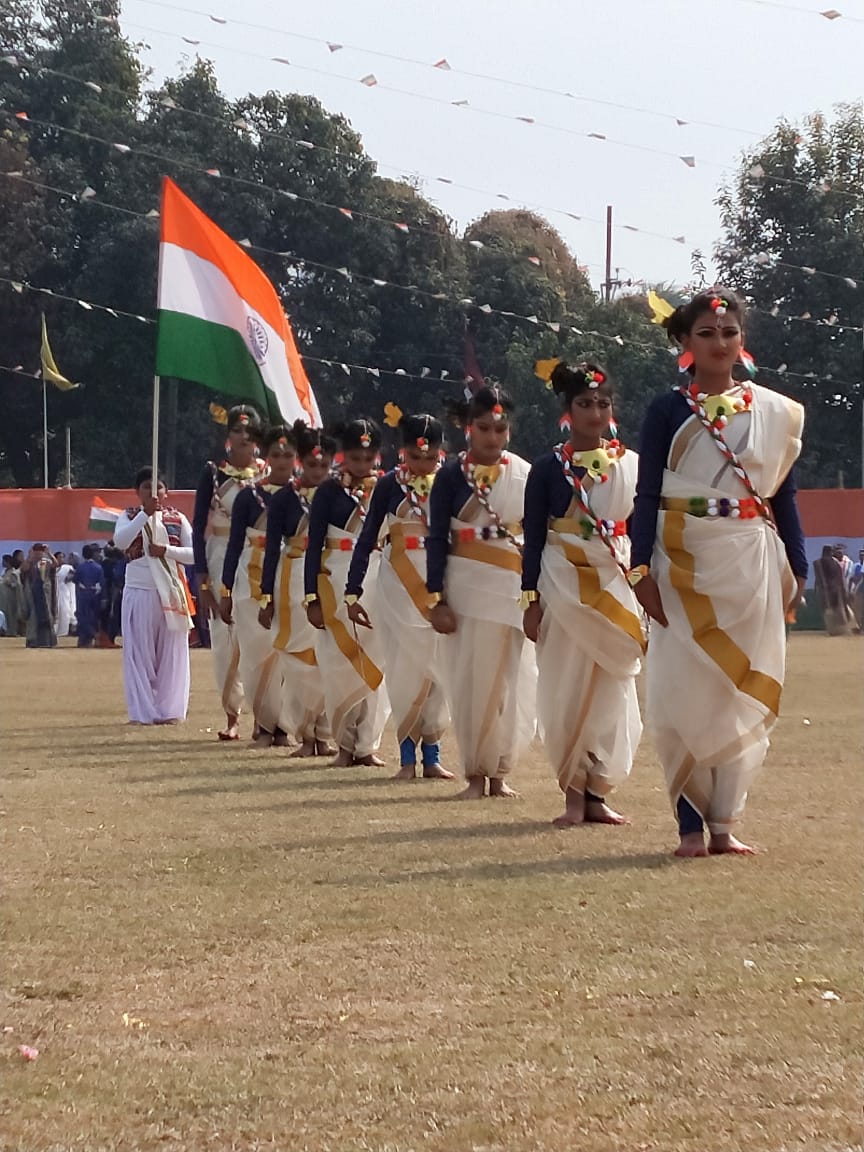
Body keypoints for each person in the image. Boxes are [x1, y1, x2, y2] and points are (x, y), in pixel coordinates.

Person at [631, 288, 807, 857]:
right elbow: (647, 493)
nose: (720, 342)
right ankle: (689, 827)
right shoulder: (666, 410)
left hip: (750, 560)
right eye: (706, 333)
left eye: (729, 332)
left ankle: (725, 824)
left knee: (735, 691)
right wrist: (639, 570)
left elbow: (784, 496)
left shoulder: (772, 412)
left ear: (742, 340)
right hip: (682, 557)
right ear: (685, 342)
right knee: (683, 687)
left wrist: (798, 566)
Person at [522, 360, 643, 826]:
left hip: (615, 583)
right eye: (585, 403)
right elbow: (534, 539)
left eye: (602, 403)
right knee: (568, 688)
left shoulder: (631, 465)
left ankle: (597, 793)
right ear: (567, 410)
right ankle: (573, 794)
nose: (595, 412)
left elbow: (641, 530)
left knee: (612, 690)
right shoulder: (547, 469)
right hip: (563, 586)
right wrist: (530, 601)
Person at [425, 385, 534, 799]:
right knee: (470, 679)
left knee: (507, 680)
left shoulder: (524, 474)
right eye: (484, 428)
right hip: (465, 588)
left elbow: (536, 538)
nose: (493, 437)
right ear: (468, 427)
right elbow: (437, 538)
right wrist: (437, 598)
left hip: (510, 589)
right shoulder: (450, 476)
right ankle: (474, 773)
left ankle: (499, 773)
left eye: (500, 429)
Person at [345, 410, 454, 781]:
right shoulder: (389, 485)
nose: (423, 464)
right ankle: (407, 759)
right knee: (404, 670)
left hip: (441, 585)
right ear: (402, 451)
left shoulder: (450, 481)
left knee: (440, 672)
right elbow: (367, 538)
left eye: (431, 456)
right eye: (416, 456)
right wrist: (352, 590)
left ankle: (433, 756)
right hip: (397, 588)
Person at [304, 418, 390, 767]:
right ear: (344, 455)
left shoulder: (386, 488)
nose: (362, 465)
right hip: (334, 582)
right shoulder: (327, 491)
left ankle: (367, 745)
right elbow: (313, 546)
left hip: (378, 580)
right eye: (355, 458)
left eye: (369, 458)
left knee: (375, 662)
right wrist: (311, 597)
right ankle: (344, 745)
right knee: (338, 665)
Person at [259, 422, 338, 757]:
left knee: (327, 658)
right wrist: (265, 596)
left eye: (324, 464)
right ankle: (306, 736)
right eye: (311, 464)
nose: (318, 471)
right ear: (300, 462)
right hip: (291, 578)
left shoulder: (339, 495)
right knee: (297, 658)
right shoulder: (283, 499)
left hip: (329, 574)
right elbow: (269, 550)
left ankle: (326, 735)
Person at [220, 425, 297, 748]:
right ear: (266, 456)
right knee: (255, 654)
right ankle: (265, 726)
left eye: (288, 455)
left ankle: (285, 726)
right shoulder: (248, 496)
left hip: (290, 574)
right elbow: (234, 544)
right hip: (250, 576)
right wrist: (224, 590)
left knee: (287, 654)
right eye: (275, 455)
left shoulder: (303, 496)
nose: (282, 461)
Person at [193, 404, 265, 740]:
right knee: (224, 638)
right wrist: (202, 579)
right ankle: (232, 716)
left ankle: (265, 716)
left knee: (259, 635)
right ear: (228, 435)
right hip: (220, 554)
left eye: (249, 432)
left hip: (258, 557)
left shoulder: (268, 474)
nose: (243, 438)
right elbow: (197, 528)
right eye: (237, 430)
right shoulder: (213, 473)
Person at [113, 468, 195, 725]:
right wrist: (144, 515)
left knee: (172, 654)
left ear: (166, 491)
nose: (153, 492)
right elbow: (121, 542)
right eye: (147, 487)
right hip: (139, 591)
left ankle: (170, 710)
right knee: (139, 655)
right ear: (137, 492)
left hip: (170, 592)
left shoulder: (178, 518)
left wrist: (167, 551)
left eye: (157, 487)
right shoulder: (128, 516)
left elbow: (194, 554)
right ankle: (142, 712)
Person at [20, 544, 58, 648]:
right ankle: (33, 640)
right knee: (33, 617)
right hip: (33, 594)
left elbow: (56, 564)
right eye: (36, 552)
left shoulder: (46, 562)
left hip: (45, 594)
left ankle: (48, 641)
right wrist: (29, 557)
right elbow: (23, 569)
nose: (38, 554)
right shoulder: (30, 562)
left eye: (40, 552)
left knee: (47, 616)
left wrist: (49, 553)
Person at [813, 544, 854, 636]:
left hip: (827, 591)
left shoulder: (817, 563)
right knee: (836, 610)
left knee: (829, 609)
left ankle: (834, 629)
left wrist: (817, 588)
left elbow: (818, 579)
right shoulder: (835, 563)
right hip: (835, 590)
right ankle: (837, 629)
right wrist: (844, 591)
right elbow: (841, 579)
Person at [73, 545, 104, 648]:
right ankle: (91, 638)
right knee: (93, 617)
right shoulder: (98, 567)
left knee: (82, 616)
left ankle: (87, 637)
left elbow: (75, 580)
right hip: (95, 594)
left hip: (83, 594)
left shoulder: (80, 567)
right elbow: (102, 582)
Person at [0, 554, 25, 638]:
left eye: (4, 561)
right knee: (5, 614)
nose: (2, 563)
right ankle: (5, 630)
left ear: (8, 562)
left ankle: (12, 631)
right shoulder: (5, 572)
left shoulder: (14, 572)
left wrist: (9, 582)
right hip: (4, 598)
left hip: (11, 598)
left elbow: (16, 585)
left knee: (11, 614)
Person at [55, 552, 77, 638]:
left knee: (64, 611)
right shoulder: (52, 568)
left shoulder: (68, 568)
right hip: (54, 592)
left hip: (64, 593)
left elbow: (71, 579)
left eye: (62, 557)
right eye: (59, 557)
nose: (61, 559)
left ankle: (64, 632)